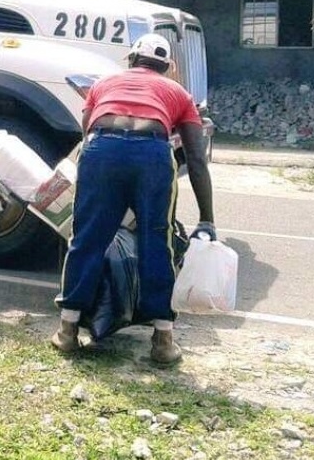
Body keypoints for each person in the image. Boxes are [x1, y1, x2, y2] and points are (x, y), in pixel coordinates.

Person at [51, 33, 215, 364]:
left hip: (101, 150)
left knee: (86, 238)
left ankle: (67, 332)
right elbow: (196, 159)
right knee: (157, 241)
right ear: (167, 67)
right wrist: (207, 219)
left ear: (131, 60)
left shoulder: (104, 83)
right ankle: (163, 341)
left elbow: (88, 132)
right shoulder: (179, 93)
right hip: (152, 154)